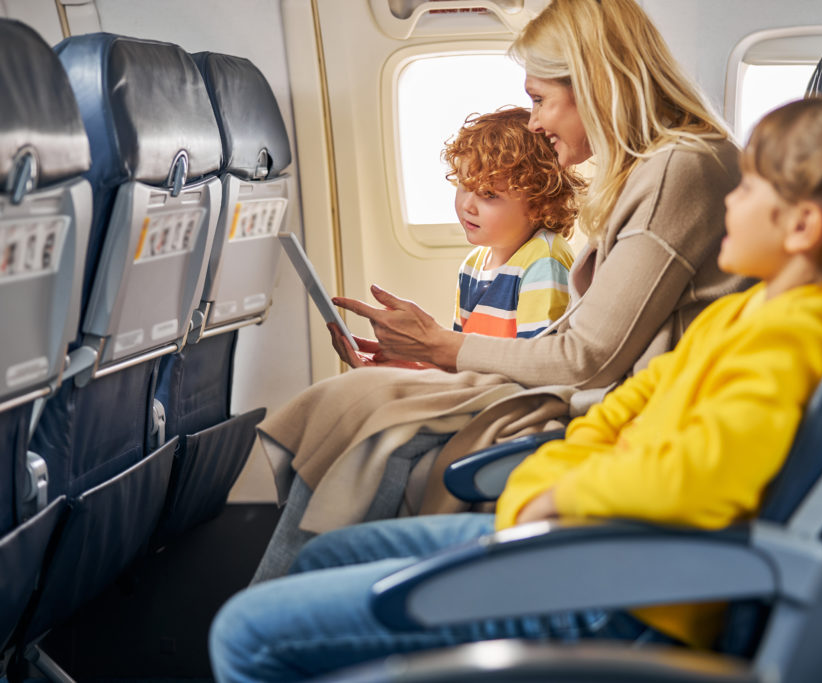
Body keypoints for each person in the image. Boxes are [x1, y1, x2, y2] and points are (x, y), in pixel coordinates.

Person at [210, 96, 822, 682]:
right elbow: (622, 416)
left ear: (802, 225)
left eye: (749, 188)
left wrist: (558, 496)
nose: (730, 196)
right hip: (589, 533)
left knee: (246, 632)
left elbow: (703, 477)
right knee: (324, 554)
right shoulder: (739, 310)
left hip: (626, 583)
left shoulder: (793, 335)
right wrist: (543, 489)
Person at [249, 0, 746, 584]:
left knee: (375, 412)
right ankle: (302, 593)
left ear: (595, 82)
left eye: (540, 99)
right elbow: (587, 341)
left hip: (615, 412)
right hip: (597, 391)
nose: (534, 121)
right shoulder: (654, 170)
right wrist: (425, 353)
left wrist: (444, 349)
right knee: (361, 393)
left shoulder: (678, 170)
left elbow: (587, 360)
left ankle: (292, 605)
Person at [447, 107, 583, 340]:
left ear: (537, 202)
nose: (467, 205)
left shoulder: (543, 261)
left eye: (488, 194)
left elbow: (535, 360)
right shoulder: (472, 265)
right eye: (464, 186)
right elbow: (457, 351)